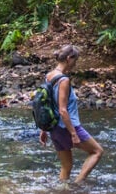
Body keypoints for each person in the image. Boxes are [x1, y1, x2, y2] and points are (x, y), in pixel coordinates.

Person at [39, 44, 104, 183]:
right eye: (75, 60)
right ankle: (77, 184)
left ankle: (64, 193)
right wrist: (73, 133)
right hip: (67, 126)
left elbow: (46, 105)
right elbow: (63, 110)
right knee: (97, 152)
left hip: (54, 128)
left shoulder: (49, 76)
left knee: (66, 166)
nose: (76, 64)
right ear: (69, 58)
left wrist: (44, 129)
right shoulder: (63, 80)